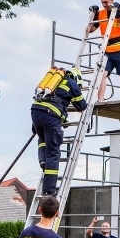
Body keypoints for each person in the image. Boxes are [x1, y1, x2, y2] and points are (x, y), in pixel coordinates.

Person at [31, 66, 87, 196]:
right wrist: (73, 97)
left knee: (42, 137)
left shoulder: (51, 84)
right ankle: (49, 190)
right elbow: (82, 105)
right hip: (50, 116)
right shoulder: (71, 83)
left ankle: (42, 159)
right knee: (53, 153)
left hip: (35, 112)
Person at [87, 0, 120, 101]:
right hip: (106, 49)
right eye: (102, 2)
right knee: (102, 74)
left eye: (106, 2)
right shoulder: (101, 14)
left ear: (112, 0)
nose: (104, 5)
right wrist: (93, 16)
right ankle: (100, 99)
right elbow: (90, 30)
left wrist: (119, 15)